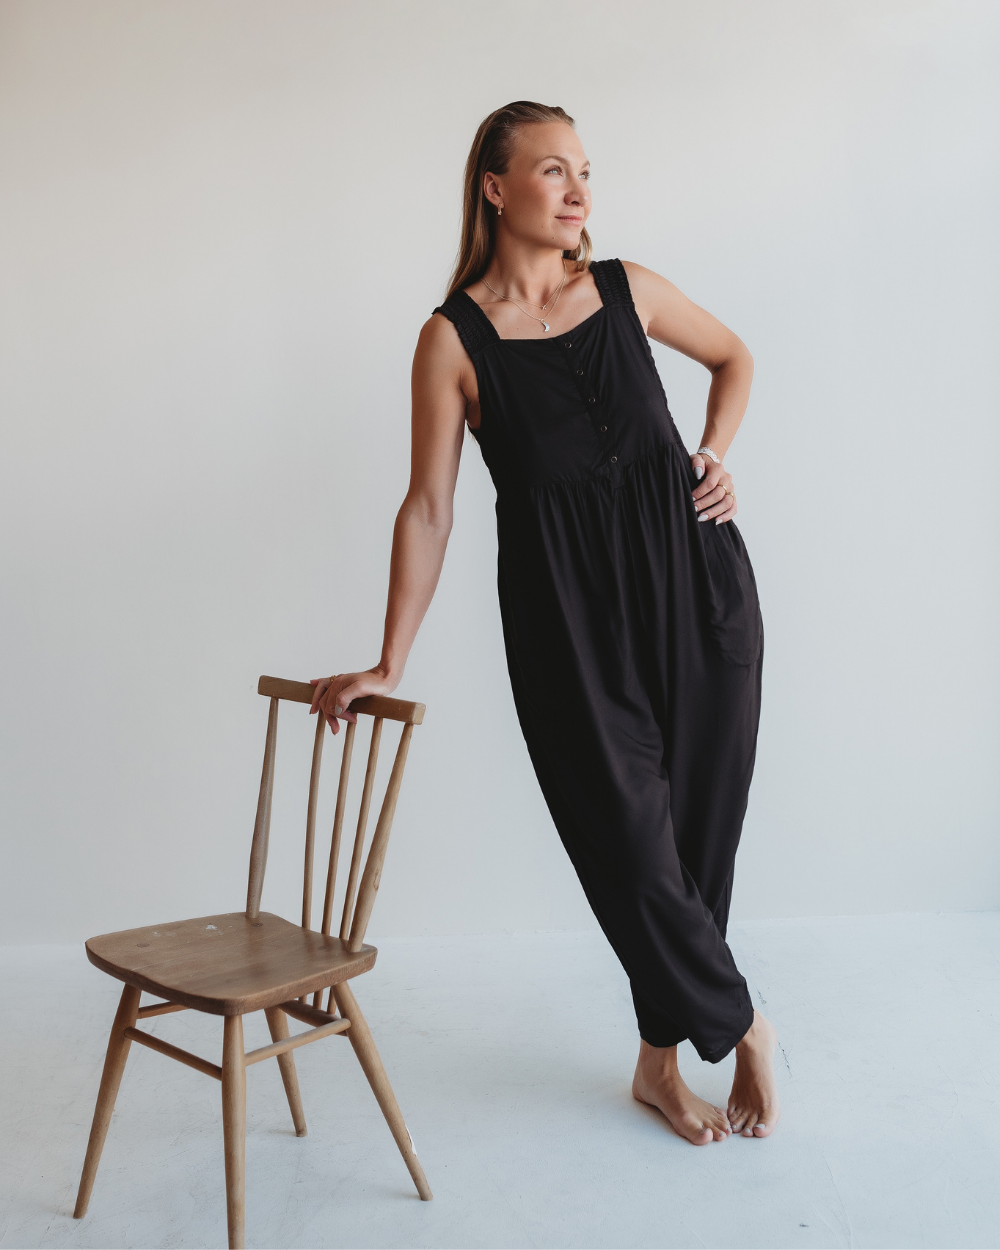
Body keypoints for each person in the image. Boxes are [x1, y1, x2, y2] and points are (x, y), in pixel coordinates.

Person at [310, 101, 779, 1146]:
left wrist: (714, 450)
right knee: (630, 843)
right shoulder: (452, 340)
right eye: (553, 169)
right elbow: (427, 506)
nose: (578, 191)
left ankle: (657, 1063)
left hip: (698, 585)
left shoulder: (624, 288)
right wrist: (391, 654)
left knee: (697, 841)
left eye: (585, 172)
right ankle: (742, 1020)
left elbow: (735, 356)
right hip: (566, 620)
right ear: (494, 185)